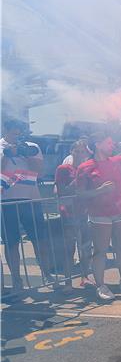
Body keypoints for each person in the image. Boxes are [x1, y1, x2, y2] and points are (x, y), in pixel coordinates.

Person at [76, 129, 121, 300]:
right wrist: (99, 191)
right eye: (109, 143)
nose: (112, 146)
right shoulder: (84, 167)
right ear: (97, 145)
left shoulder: (117, 160)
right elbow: (80, 194)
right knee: (100, 251)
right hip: (99, 215)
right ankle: (101, 285)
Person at [1, 118, 53, 290]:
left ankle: (46, 272)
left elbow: (39, 172)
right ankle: (16, 279)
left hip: (31, 199)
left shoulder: (32, 147)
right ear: (6, 131)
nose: (17, 137)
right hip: (6, 201)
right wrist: (8, 154)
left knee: (40, 239)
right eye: (14, 134)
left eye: (20, 134)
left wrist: (24, 153)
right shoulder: (1, 147)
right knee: (11, 242)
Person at [54, 140, 93, 287]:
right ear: (71, 151)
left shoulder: (87, 169)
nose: (80, 154)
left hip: (85, 212)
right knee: (69, 249)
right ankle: (67, 282)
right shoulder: (63, 169)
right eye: (77, 151)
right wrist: (78, 178)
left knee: (86, 248)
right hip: (69, 214)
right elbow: (62, 191)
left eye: (83, 151)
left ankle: (85, 278)